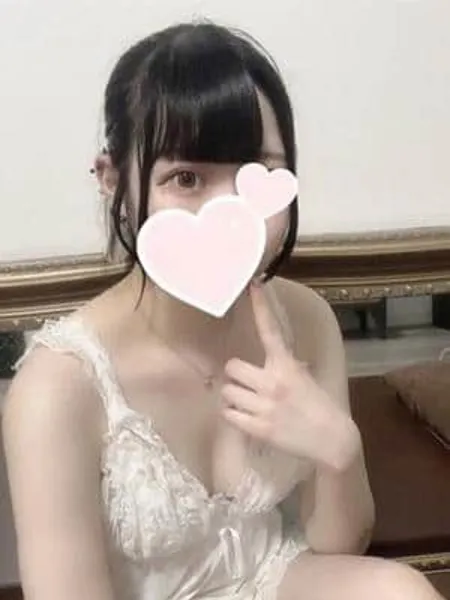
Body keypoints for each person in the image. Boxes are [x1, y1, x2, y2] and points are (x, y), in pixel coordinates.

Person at [2, 21, 443, 600]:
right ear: (113, 181)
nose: (228, 214)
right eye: (186, 178)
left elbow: (339, 544)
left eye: (257, 174)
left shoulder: (305, 321)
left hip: (273, 577)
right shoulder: (57, 387)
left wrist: (338, 448)